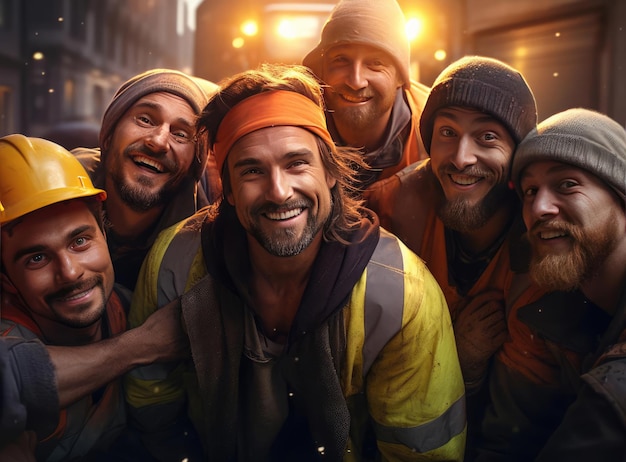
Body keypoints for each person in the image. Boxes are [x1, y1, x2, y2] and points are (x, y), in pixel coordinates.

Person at [126, 63, 466, 461]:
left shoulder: (399, 293)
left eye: (296, 163)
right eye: (252, 170)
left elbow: (420, 452)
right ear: (229, 192)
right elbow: (153, 406)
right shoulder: (176, 262)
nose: (279, 191)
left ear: (331, 174)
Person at [364, 55, 539, 458]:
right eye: (447, 132)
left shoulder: (544, 239)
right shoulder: (387, 212)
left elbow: (533, 408)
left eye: (487, 138)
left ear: (520, 152)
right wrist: (454, 358)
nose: (461, 158)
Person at [0, 135, 190, 461]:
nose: (70, 272)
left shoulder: (130, 308)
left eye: (80, 241)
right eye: (36, 259)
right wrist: (143, 345)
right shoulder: (8, 331)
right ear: (6, 280)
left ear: (104, 233)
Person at [478, 108, 626, 461]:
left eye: (567, 185)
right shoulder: (543, 314)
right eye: (529, 191)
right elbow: (506, 442)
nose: (539, 207)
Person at [73, 68, 220, 291]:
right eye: (145, 119)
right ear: (109, 134)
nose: (159, 141)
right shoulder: (57, 190)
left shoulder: (207, 250)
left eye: (181, 134)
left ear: (194, 165)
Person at [302, 0, 430, 190]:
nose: (356, 81)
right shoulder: (296, 121)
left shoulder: (434, 128)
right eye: (341, 60)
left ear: (400, 77)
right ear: (322, 69)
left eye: (376, 63)